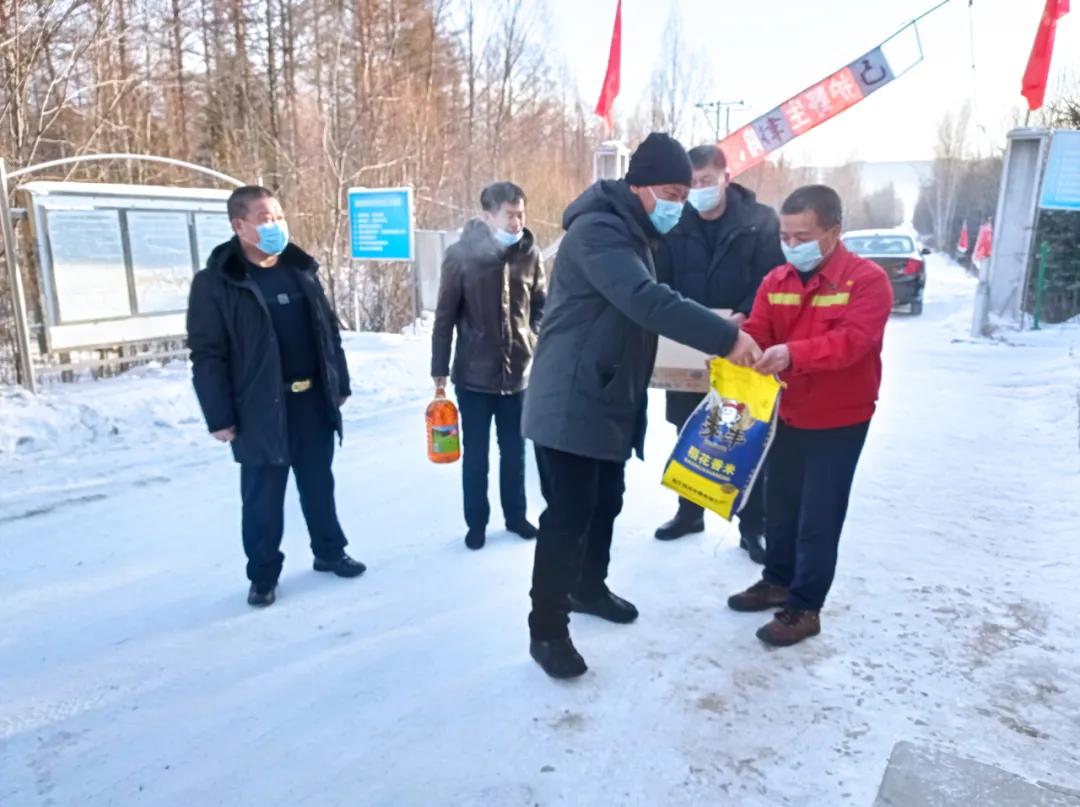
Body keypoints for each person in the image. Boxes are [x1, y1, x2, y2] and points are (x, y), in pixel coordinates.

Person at [521, 132, 763, 679]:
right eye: (672, 191)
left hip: (607, 394)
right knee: (567, 517)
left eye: (685, 191)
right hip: (570, 401)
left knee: (605, 502)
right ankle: (547, 630)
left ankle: (587, 588)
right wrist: (723, 338)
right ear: (638, 186)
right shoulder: (599, 232)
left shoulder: (636, 233)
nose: (680, 203)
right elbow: (647, 300)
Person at [728, 185, 892, 646]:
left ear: (833, 232)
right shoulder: (775, 281)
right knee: (779, 508)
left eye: (802, 236)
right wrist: (739, 345)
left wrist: (789, 354)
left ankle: (804, 607)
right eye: (785, 235)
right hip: (786, 414)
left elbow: (852, 343)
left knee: (818, 517)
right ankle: (777, 579)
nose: (791, 245)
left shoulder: (866, 281)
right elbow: (757, 329)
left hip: (839, 419)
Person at [187, 185, 365, 608]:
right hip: (259, 408)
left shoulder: (300, 270)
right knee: (263, 497)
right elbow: (206, 354)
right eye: (266, 219)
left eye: (280, 216)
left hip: (311, 401)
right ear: (239, 225)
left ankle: (329, 551)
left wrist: (338, 383)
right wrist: (219, 415)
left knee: (319, 483)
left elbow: (329, 331)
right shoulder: (218, 282)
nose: (277, 226)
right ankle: (263, 574)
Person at [653, 144, 785, 562]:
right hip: (690, 346)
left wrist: (743, 315)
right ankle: (689, 511)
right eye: (691, 184)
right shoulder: (675, 225)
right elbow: (662, 281)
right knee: (691, 429)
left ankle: (754, 527)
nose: (698, 190)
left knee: (745, 432)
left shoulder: (759, 222)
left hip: (746, 342)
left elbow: (771, 278)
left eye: (706, 182)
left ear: (726, 177)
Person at [431, 182, 546, 550]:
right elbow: (445, 315)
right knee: (477, 456)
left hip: (519, 374)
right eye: (509, 215)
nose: (516, 222)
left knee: (514, 453)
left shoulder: (530, 254)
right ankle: (476, 523)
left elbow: (542, 306)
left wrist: (536, 338)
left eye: (520, 214)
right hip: (474, 375)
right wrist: (439, 366)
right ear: (487, 216)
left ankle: (515, 517)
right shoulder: (461, 256)